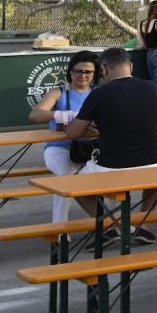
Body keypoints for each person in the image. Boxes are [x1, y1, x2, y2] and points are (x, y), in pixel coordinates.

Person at [62, 46, 157, 237]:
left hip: (113, 166)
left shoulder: (98, 94)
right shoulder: (153, 87)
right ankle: (144, 223)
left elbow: (74, 132)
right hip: (155, 163)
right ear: (130, 66)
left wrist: (66, 123)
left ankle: (110, 225)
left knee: (74, 187)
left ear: (104, 70)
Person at [30, 51, 97, 223]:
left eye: (88, 72)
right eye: (79, 71)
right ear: (71, 72)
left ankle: (115, 225)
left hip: (91, 148)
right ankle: (59, 230)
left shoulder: (98, 93)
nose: (83, 75)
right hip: (59, 148)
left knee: (110, 179)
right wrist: (67, 115)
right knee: (67, 177)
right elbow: (35, 115)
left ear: (95, 74)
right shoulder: (59, 92)